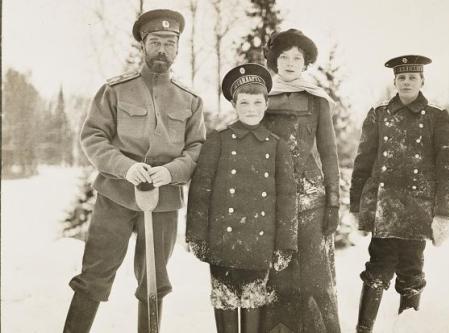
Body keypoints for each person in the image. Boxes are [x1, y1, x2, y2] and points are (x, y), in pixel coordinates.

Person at [63, 9, 206, 333]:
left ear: (178, 48)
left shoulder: (190, 100)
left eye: (170, 43)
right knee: (94, 276)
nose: (162, 50)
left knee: (154, 280)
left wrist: (170, 172)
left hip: (164, 201)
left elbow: (197, 148)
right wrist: (126, 168)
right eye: (155, 42)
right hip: (115, 195)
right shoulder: (115, 90)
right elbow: (93, 137)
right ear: (143, 45)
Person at [349, 55, 449, 332]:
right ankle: (363, 329)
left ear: (422, 81)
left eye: (412, 77)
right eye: (401, 77)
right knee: (376, 270)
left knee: (411, 274)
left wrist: (444, 213)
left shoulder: (436, 116)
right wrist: (356, 206)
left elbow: (448, 168)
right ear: (394, 82)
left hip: (417, 211)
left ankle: (406, 328)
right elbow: (362, 163)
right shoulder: (379, 113)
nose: (407, 82)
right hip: (383, 210)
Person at [186, 63, 297, 333]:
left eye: (257, 102)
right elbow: (200, 192)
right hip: (222, 243)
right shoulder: (218, 140)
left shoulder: (277, 146)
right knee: (224, 303)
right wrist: (196, 236)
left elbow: (287, 199)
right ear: (234, 105)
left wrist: (286, 243)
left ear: (265, 104)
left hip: (260, 245)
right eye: (244, 102)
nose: (251, 108)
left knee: (253, 305)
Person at [260, 29, 342, 333]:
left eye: (297, 57)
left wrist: (333, 202)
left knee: (316, 280)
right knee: (277, 278)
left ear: (305, 62)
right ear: (274, 60)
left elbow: (329, 153)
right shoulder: (261, 97)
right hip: (272, 202)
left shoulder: (318, 100)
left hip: (311, 202)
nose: (291, 63)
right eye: (284, 57)